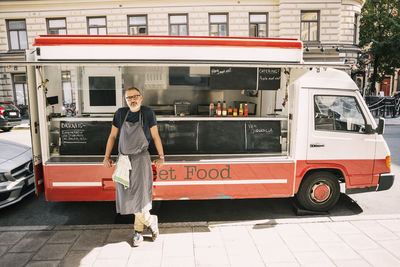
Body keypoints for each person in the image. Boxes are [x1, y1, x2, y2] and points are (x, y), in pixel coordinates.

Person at [103, 87, 165, 247]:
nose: (132, 99)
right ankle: (151, 221)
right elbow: (112, 136)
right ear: (125, 100)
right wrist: (106, 156)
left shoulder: (148, 113)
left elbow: (156, 136)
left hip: (140, 161)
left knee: (140, 196)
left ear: (141, 97)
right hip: (123, 161)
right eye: (129, 97)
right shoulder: (120, 113)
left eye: (135, 96)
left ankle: (137, 232)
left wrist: (161, 156)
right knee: (127, 197)